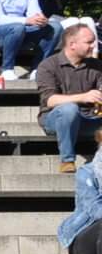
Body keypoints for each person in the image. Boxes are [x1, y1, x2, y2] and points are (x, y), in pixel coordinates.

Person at [36, 19, 102, 174]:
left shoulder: (97, 65)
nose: (93, 45)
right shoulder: (48, 66)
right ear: (72, 44)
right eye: (89, 42)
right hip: (55, 119)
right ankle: (67, 161)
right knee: (69, 109)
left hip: (89, 119)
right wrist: (83, 97)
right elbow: (50, 100)